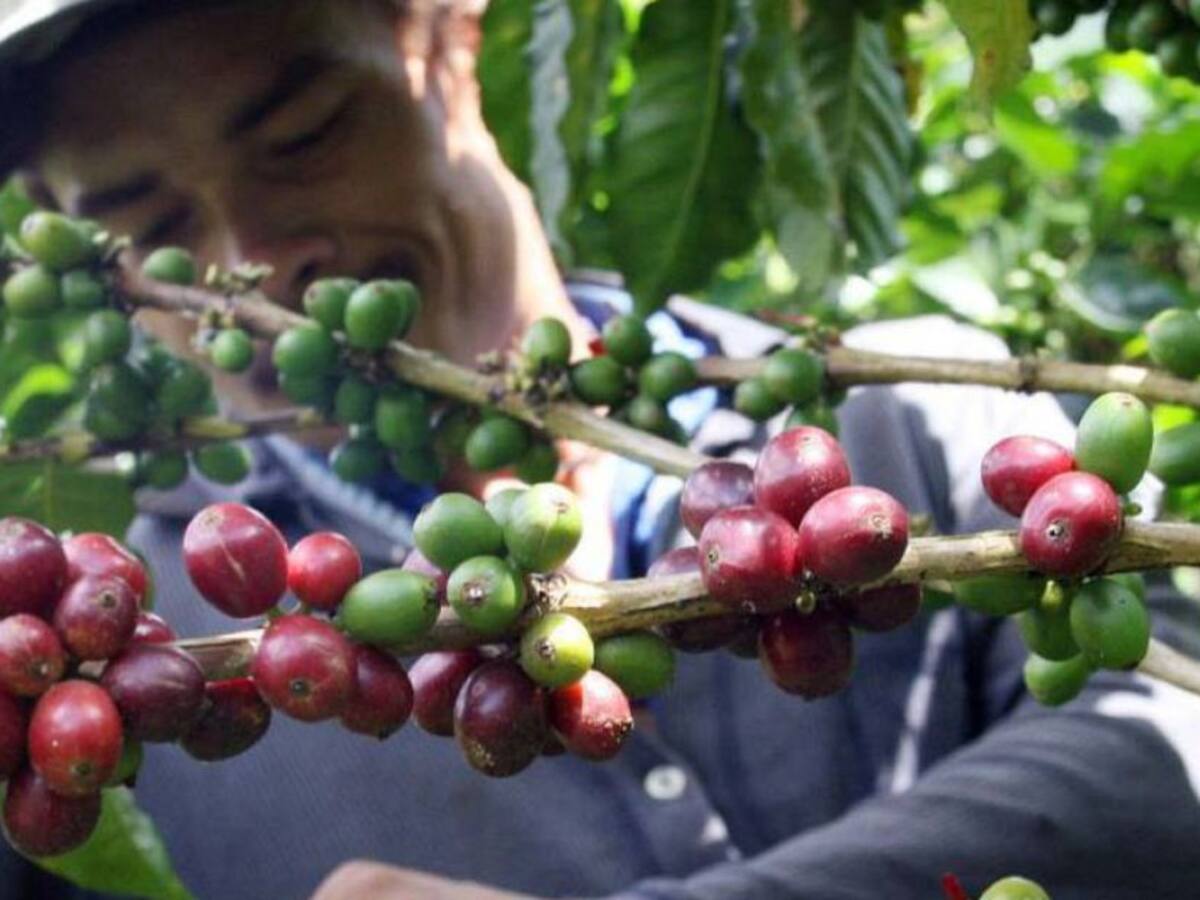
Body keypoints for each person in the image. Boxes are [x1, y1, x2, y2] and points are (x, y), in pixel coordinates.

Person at [2, 2, 1200, 899]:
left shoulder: (924, 420)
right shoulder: (126, 685)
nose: (251, 261)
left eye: (306, 131)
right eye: (152, 234)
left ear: (453, 41)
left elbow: (1165, 753)